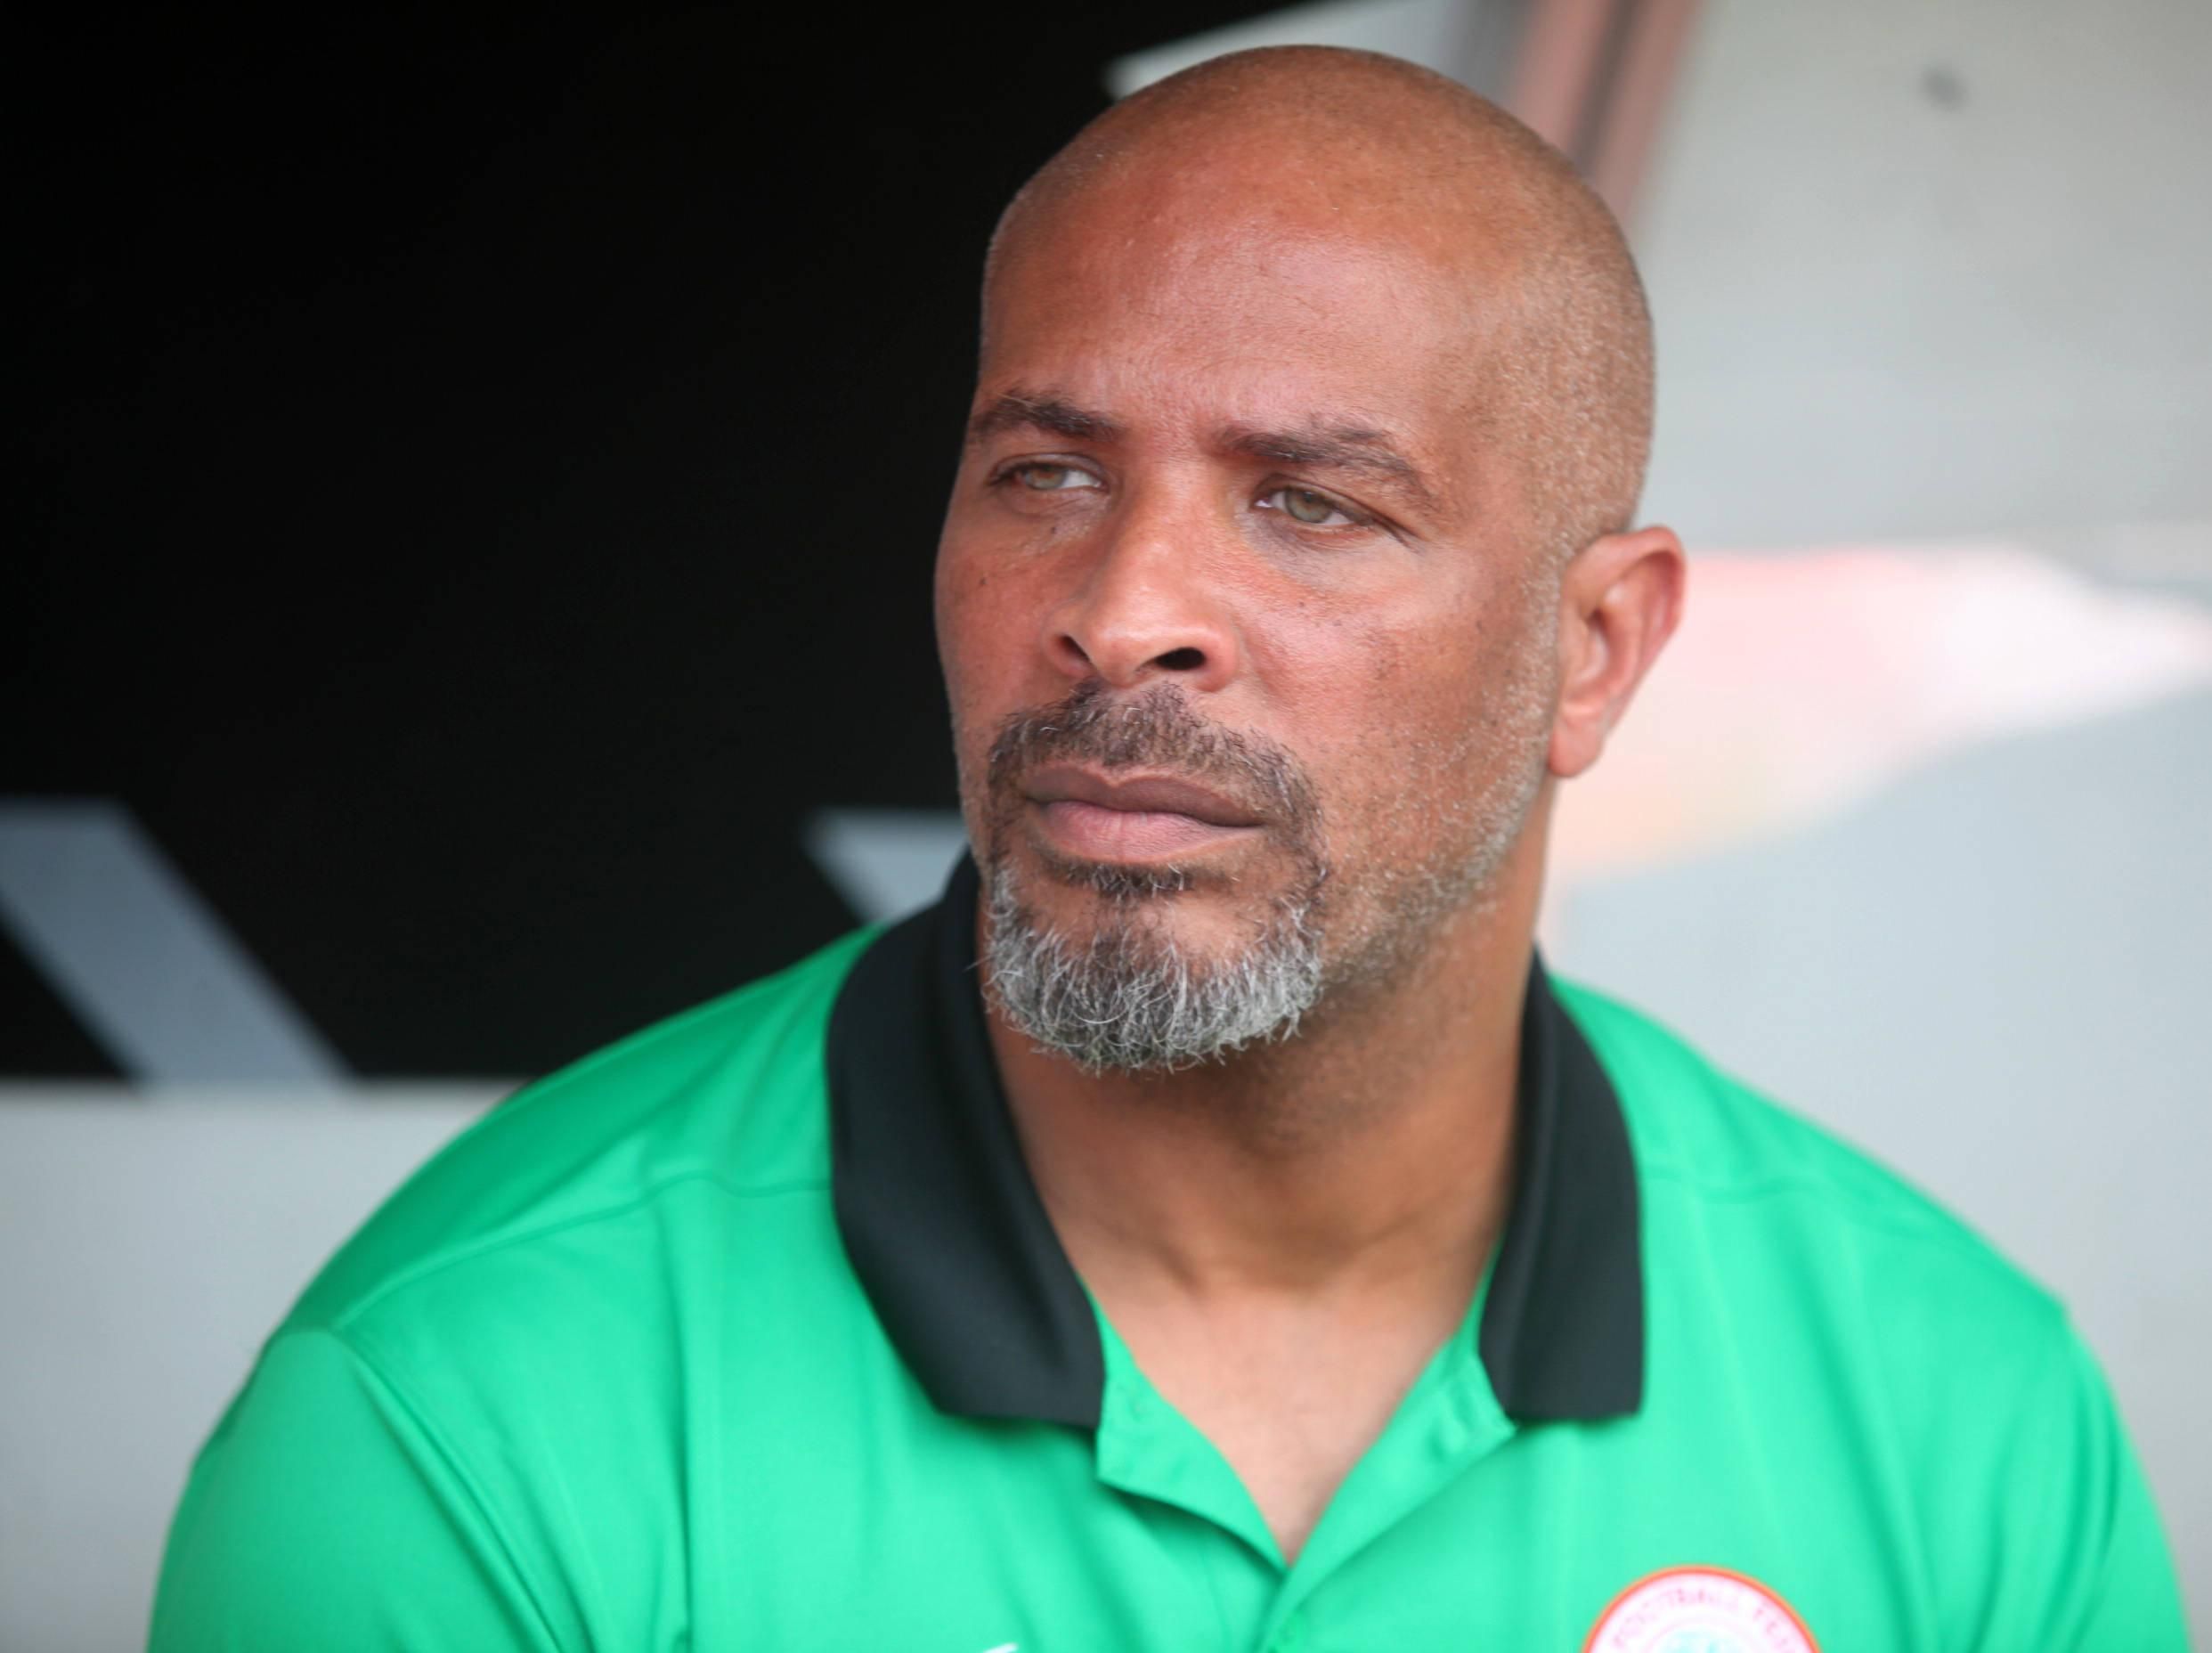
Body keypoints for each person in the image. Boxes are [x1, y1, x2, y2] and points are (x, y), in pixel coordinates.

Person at [151, 46, 2187, 1651]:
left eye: (1306, 502)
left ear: (1594, 648)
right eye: (1045, 470)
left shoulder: (1958, 1421)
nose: (1122, 608)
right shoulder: (456, 1413)